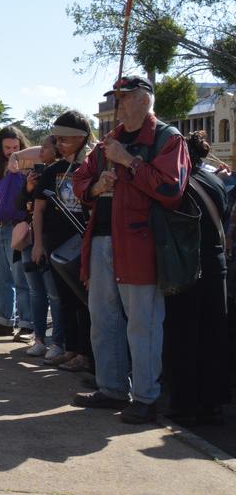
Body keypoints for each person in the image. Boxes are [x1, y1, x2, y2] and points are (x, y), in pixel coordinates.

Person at [73, 76, 190, 424]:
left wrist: (128, 162)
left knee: (143, 324)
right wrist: (96, 186)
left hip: (141, 244)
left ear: (143, 100)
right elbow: (80, 180)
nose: (117, 104)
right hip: (101, 240)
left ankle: (145, 397)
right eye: (116, 98)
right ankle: (111, 388)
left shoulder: (168, 139)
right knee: (103, 320)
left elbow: (171, 189)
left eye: (124, 98)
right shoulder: (108, 141)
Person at [162, 131, 230, 426]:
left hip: (186, 265)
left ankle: (184, 401)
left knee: (183, 334)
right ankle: (212, 402)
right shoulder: (216, 181)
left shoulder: (180, 184)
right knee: (213, 334)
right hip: (216, 264)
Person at [31, 113, 95, 373]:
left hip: (84, 247)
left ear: (81, 138)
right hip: (56, 248)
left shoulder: (92, 168)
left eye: (65, 139)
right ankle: (71, 349)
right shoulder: (52, 171)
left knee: (86, 303)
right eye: (57, 139)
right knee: (65, 301)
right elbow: (38, 210)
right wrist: (37, 244)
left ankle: (86, 353)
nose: (60, 144)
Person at [16, 135, 64, 359]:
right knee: (36, 292)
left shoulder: (61, 174)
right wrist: (28, 188)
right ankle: (39, 339)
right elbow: (21, 205)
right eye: (41, 146)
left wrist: (40, 244)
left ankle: (58, 342)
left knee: (54, 293)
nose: (41, 150)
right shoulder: (36, 174)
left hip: (48, 241)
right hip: (30, 241)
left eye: (46, 146)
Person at [0, 126, 33, 341]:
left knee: (21, 277)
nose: (11, 151)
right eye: (7, 147)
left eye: (15, 147)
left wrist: (19, 162)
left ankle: (26, 323)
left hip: (17, 225)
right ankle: (5, 320)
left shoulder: (28, 162)